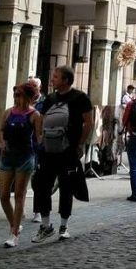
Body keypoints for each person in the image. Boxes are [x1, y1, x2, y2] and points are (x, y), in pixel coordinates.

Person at [33, 65, 94, 241]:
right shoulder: (50, 98)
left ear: (66, 80)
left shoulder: (80, 98)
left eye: (56, 77)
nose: (52, 79)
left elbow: (88, 122)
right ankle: (45, 225)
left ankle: (63, 226)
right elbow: (41, 118)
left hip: (69, 150)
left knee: (66, 187)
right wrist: (40, 137)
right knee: (42, 186)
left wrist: (81, 144)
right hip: (49, 150)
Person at [0, 82, 43, 247]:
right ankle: (14, 224)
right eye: (15, 94)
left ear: (28, 97)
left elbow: (38, 137)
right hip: (8, 156)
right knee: (3, 195)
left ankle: (14, 234)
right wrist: (2, 143)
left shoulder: (35, 115)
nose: (16, 98)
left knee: (19, 195)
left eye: (19, 95)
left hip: (25, 157)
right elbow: (1, 130)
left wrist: (41, 155)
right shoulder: (8, 112)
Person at [25, 76, 45, 224]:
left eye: (33, 86)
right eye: (29, 85)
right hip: (23, 146)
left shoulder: (44, 103)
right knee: (22, 179)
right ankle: (20, 209)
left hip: (37, 147)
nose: (31, 88)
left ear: (39, 88)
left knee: (38, 180)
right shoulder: (23, 102)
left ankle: (38, 211)